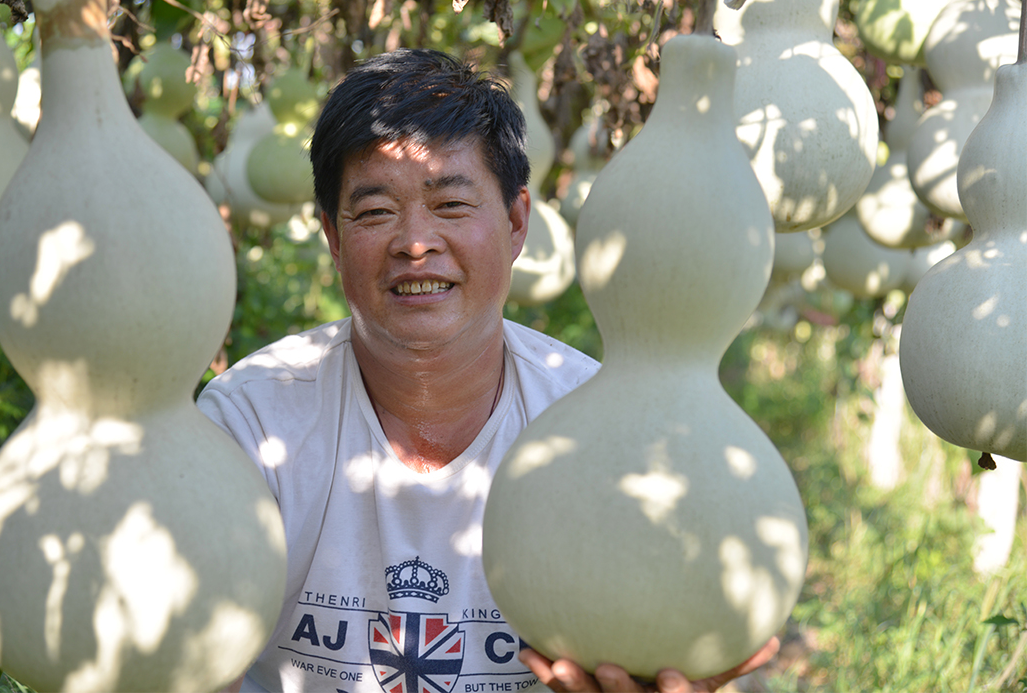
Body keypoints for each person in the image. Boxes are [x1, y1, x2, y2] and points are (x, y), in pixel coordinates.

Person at [196, 48, 779, 693]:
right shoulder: (250, 425)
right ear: (334, 238)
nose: (415, 243)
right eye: (376, 211)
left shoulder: (606, 437)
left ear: (516, 222)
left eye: (450, 204)